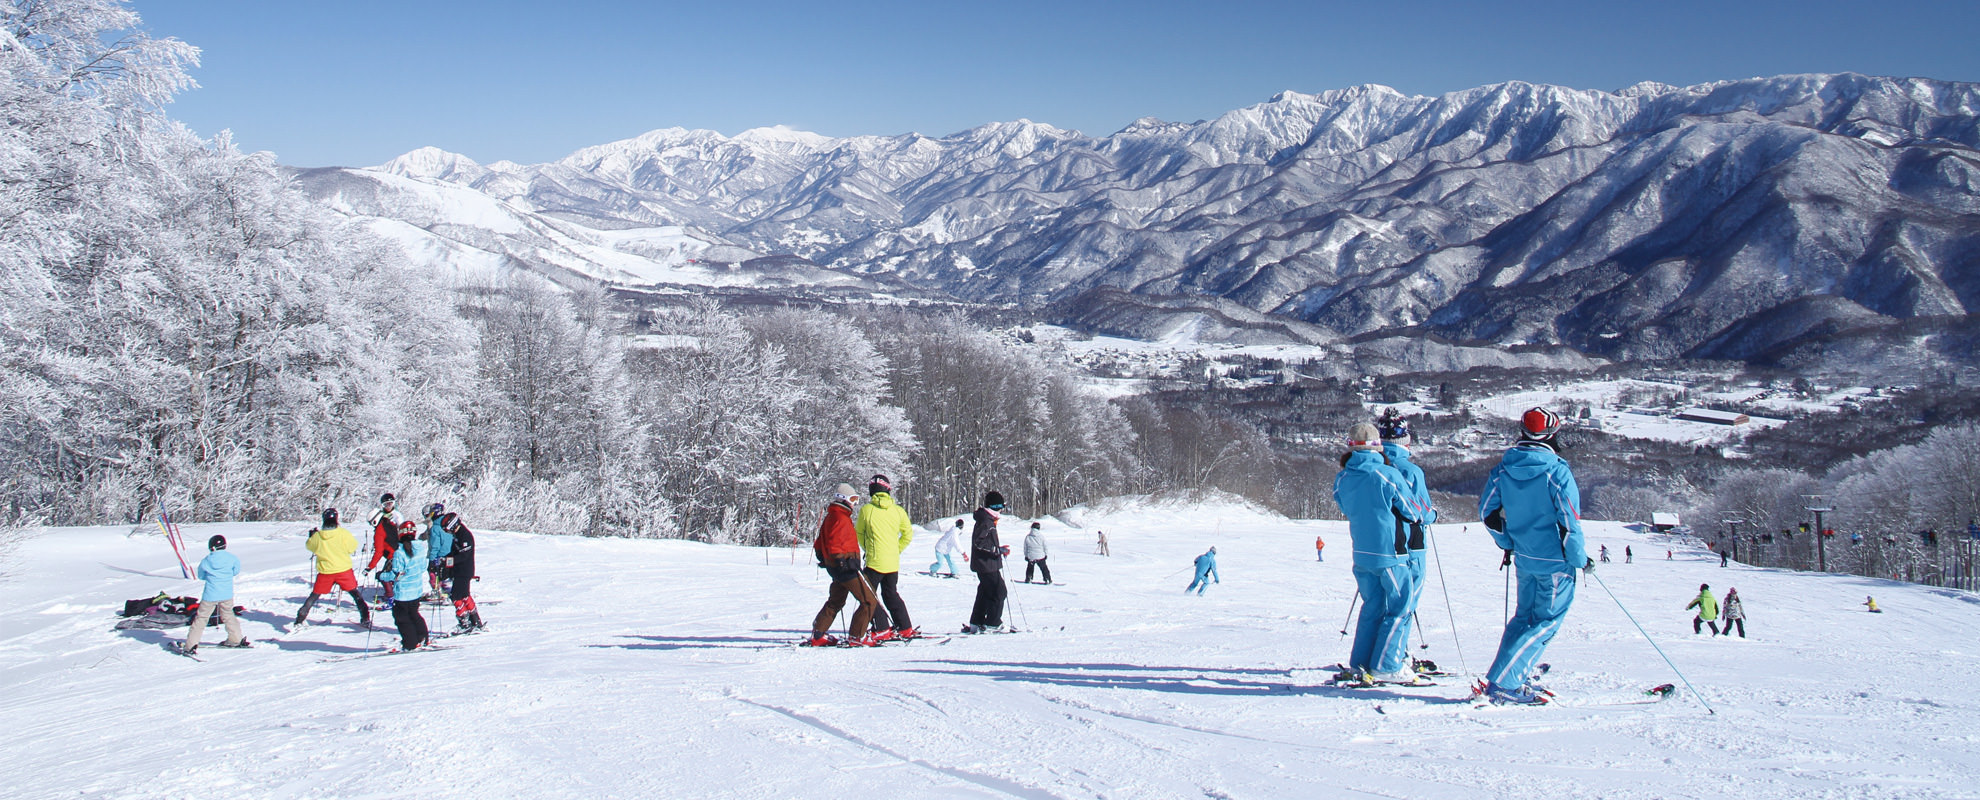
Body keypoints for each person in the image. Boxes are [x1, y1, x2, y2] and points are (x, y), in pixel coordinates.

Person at [1477, 407, 1589, 705]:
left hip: (1525, 558)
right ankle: (1505, 683)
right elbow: (1569, 521)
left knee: (1524, 619)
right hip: (1555, 560)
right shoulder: (1556, 471)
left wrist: (1508, 541)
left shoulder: (1503, 469)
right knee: (1546, 621)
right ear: (1553, 435)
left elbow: (1487, 513)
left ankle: (1509, 675)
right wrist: (1579, 558)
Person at [1338, 421, 1428, 684]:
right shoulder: (1386, 473)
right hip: (1391, 552)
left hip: (1362, 552)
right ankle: (1388, 664)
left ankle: (1361, 662)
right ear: (1377, 445)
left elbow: (1343, 503)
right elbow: (1412, 512)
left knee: (1372, 606)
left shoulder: (1343, 476)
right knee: (1400, 607)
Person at [1377, 411, 1435, 672]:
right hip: (1411, 544)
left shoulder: (1375, 466)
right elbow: (1421, 511)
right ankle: (1393, 658)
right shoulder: (1411, 470)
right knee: (1406, 603)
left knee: (1384, 603)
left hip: (1379, 543)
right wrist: (1433, 514)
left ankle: (1381, 653)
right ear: (1406, 441)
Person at [809, 484, 879, 646]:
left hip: (839, 567)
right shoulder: (840, 517)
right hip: (846, 568)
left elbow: (820, 542)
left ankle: (818, 634)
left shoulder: (834, 516)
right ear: (843, 499)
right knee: (869, 600)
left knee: (836, 600)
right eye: (852, 499)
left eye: (856, 499)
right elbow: (834, 543)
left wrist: (825, 558)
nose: (854, 503)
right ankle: (856, 636)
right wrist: (843, 560)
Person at [854, 474, 916, 640]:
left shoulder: (867, 510)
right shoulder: (898, 511)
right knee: (891, 594)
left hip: (874, 562)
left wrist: (867, 548)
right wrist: (896, 550)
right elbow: (908, 534)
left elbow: (859, 533)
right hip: (892, 562)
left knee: (869, 595)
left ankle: (882, 628)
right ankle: (905, 627)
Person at [295, 508, 370, 629]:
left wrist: (311, 537)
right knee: (355, 594)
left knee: (314, 596)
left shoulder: (318, 536)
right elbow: (352, 547)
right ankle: (365, 618)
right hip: (343, 570)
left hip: (325, 572)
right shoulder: (343, 533)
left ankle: (300, 619)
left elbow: (309, 546)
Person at [183, 535, 249, 653]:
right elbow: (235, 571)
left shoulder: (207, 560)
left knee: (201, 618)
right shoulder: (232, 558)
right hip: (226, 593)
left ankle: (190, 645)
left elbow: (201, 575)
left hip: (210, 594)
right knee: (228, 615)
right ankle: (236, 639)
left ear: (212, 547)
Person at [377, 522, 430, 651]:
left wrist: (381, 576)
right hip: (416, 590)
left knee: (402, 619)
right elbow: (423, 567)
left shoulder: (399, 552)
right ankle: (422, 637)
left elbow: (397, 575)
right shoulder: (420, 548)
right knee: (414, 614)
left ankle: (410, 644)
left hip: (403, 593)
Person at [966, 491, 1010, 633]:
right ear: (995, 507)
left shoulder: (987, 520)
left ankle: (976, 623)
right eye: (1000, 507)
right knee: (999, 591)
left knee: (985, 592)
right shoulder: (986, 521)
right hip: (986, 565)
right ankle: (992, 623)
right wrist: (998, 551)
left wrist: (999, 549)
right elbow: (979, 543)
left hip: (986, 564)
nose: (1002, 510)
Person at [435, 509, 484, 632]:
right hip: (460, 570)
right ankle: (475, 620)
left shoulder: (464, 536)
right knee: (464, 595)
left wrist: (447, 561)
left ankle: (465, 622)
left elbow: (463, 556)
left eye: (447, 529)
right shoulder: (458, 535)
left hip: (464, 571)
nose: (447, 531)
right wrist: (445, 560)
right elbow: (454, 552)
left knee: (456, 596)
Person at [364, 493, 401, 610]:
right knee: (394, 575)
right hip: (400, 553)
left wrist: (369, 567)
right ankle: (395, 594)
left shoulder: (379, 530)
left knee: (382, 576)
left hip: (393, 556)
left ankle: (391, 598)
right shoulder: (389, 523)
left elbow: (378, 552)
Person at [424, 502, 454, 598]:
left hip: (440, 555)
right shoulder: (449, 524)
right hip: (450, 555)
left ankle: (438, 592)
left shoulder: (435, 527)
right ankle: (450, 592)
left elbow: (435, 546)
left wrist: (432, 559)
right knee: (447, 574)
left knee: (434, 573)